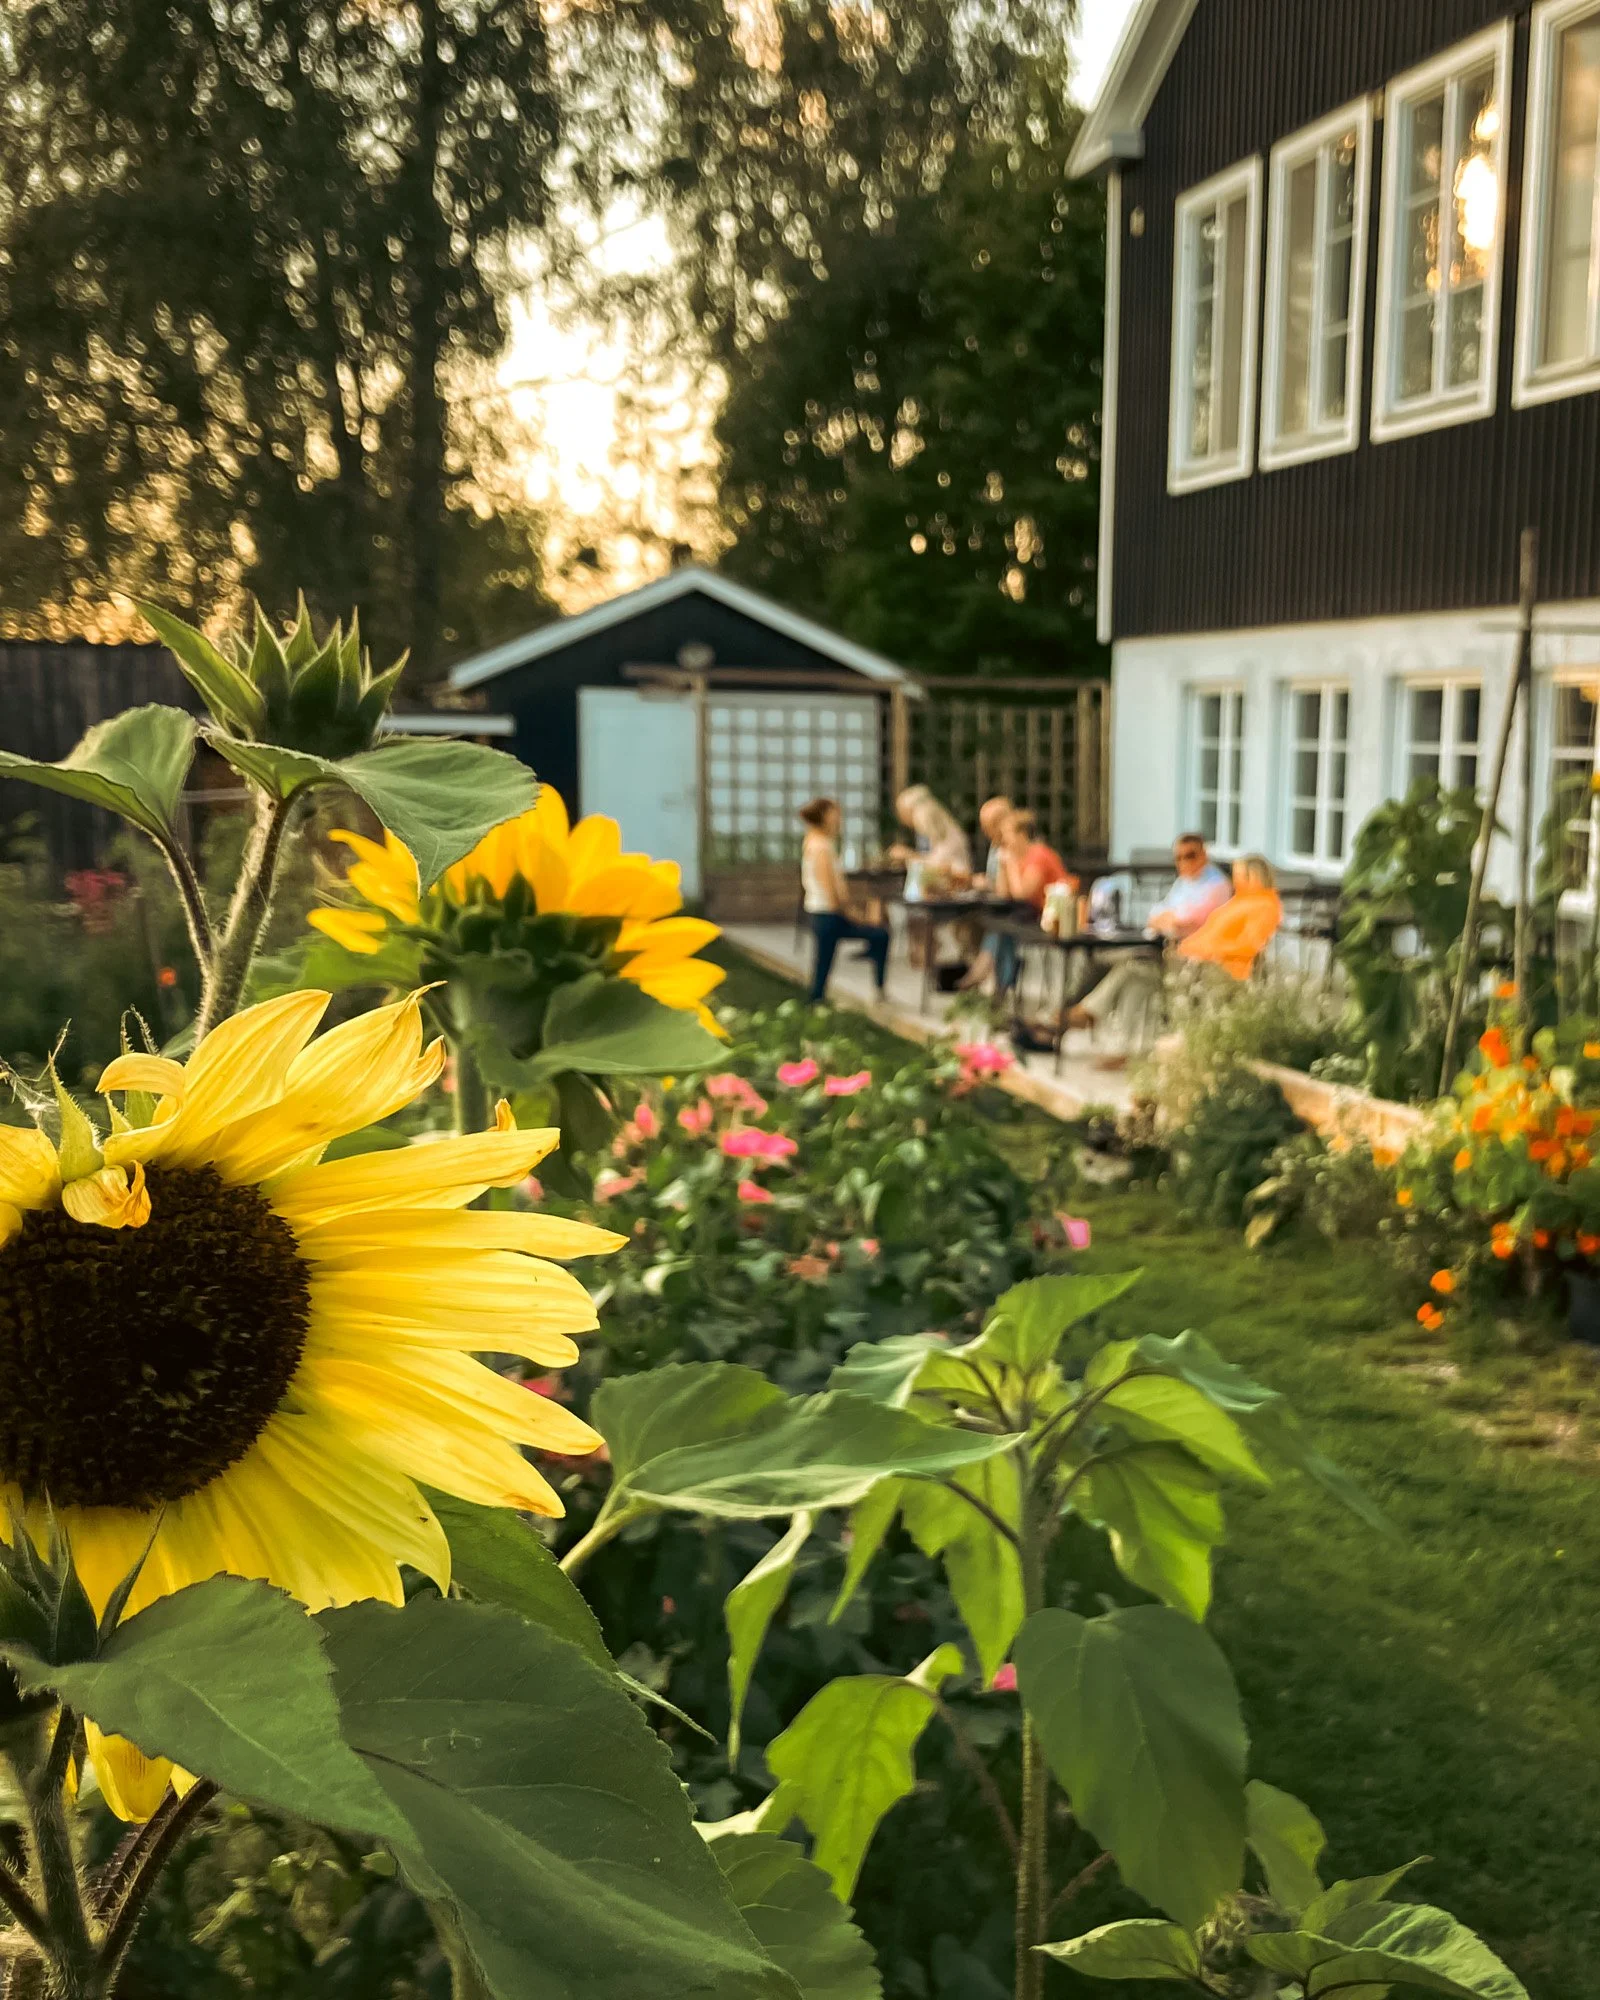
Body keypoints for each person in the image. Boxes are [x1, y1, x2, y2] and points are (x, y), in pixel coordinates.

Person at [1063, 855, 1283, 1060]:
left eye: (1237, 875)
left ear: (1251, 877)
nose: (1234, 881)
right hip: (1189, 960)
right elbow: (1208, 933)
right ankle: (1122, 1044)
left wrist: (1202, 952)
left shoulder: (1263, 905)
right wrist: (1187, 947)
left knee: (1136, 966)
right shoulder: (1240, 902)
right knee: (1135, 971)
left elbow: (1247, 945)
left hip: (1210, 970)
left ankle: (1089, 1013)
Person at [800, 797, 890, 1004]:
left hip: (824, 913)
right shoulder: (821, 847)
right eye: (835, 815)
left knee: (823, 962)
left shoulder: (816, 842)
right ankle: (877, 987)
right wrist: (855, 915)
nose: (839, 820)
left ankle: (817, 999)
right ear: (824, 817)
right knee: (879, 935)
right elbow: (831, 893)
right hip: (827, 914)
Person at [992, 808, 1077, 995]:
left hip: (1052, 919)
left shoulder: (1038, 855)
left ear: (1022, 835)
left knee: (1005, 929)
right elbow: (1003, 893)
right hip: (1032, 915)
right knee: (1000, 927)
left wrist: (1012, 864)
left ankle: (1002, 985)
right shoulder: (1019, 857)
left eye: (1007, 834)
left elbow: (1023, 893)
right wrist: (1002, 865)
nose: (1004, 841)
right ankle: (1003, 985)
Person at [1147, 832, 1232, 938]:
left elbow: (1189, 923)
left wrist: (1166, 920)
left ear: (1203, 854)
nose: (1184, 862)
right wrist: (1167, 920)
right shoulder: (1183, 881)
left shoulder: (1217, 884)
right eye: (1178, 857)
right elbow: (1156, 912)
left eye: (1190, 856)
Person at [887, 784, 972, 877]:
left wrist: (908, 855)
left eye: (903, 812)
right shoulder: (928, 830)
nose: (902, 818)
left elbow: (940, 865)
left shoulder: (933, 827)